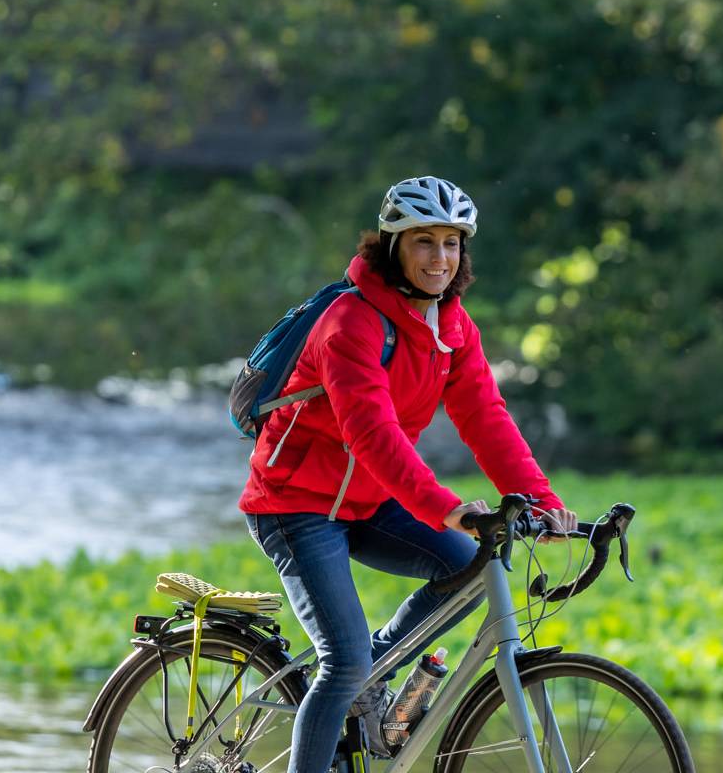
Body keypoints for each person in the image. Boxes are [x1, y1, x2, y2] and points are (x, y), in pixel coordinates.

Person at [241, 175, 575, 773]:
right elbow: (371, 434)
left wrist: (541, 501)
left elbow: (485, 418)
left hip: (370, 501)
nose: (439, 258)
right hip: (295, 503)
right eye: (424, 241)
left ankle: (364, 686)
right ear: (392, 245)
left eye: (451, 244)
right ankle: (352, 685)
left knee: (469, 565)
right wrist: (448, 507)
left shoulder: (453, 328)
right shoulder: (351, 321)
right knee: (342, 660)